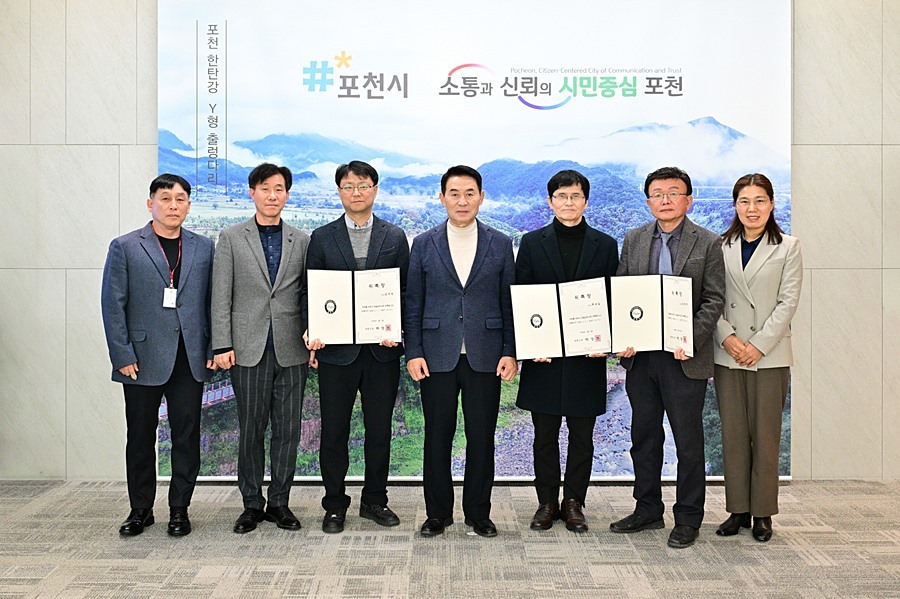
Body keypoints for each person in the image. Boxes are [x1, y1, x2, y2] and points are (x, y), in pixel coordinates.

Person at [609, 166, 725, 548]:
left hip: (684, 357)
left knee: (688, 442)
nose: (665, 200)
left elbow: (714, 298)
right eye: (657, 194)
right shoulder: (634, 239)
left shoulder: (708, 242)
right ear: (648, 201)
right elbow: (623, 292)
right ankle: (647, 509)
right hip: (641, 357)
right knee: (644, 436)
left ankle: (689, 518)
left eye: (673, 193)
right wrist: (623, 336)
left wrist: (691, 337)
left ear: (688, 200)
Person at [405, 165, 517, 538]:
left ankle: (478, 513)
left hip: (486, 354)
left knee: (481, 438)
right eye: (454, 193)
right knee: (437, 436)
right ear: (442, 198)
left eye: (470, 193)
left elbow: (509, 301)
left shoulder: (500, 243)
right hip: (436, 354)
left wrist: (510, 350)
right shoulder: (424, 243)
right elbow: (413, 302)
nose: (462, 200)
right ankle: (437, 513)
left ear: (481, 197)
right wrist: (413, 351)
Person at [101, 174, 216, 537]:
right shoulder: (125, 246)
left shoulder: (204, 247)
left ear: (189, 206)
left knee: (186, 436)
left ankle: (179, 508)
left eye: (180, 199)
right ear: (150, 203)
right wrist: (121, 353)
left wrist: (211, 349)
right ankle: (140, 509)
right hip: (141, 357)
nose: (173, 205)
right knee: (140, 436)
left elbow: (213, 303)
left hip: (189, 357)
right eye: (165, 198)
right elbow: (112, 304)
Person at [305, 161, 410, 533]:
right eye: (348, 186)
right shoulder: (322, 237)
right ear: (339, 192)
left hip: (382, 351)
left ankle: (374, 500)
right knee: (334, 432)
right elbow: (311, 291)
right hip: (336, 352)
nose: (356, 192)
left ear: (375, 190)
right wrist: (313, 329)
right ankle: (334, 504)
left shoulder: (394, 236)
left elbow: (405, 292)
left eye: (363, 185)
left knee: (379, 431)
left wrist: (398, 329)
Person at [514, 170, 619, 533]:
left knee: (582, 436)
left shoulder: (605, 244)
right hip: (543, 357)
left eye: (575, 196)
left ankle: (573, 502)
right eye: (561, 196)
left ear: (585, 201)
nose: (568, 202)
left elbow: (612, 298)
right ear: (550, 201)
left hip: (586, 357)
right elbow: (522, 296)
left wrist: (605, 341)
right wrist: (530, 344)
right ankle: (546, 502)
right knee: (543, 436)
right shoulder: (532, 242)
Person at [211, 163, 311, 534]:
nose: (272, 195)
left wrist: (314, 335)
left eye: (279, 189)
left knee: (288, 431)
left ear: (287, 194)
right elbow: (220, 295)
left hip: (292, 348)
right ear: (252, 192)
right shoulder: (231, 237)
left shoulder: (301, 240)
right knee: (251, 429)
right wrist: (222, 343)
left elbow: (308, 294)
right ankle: (251, 504)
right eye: (265, 188)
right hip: (247, 348)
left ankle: (280, 502)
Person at [713, 173, 802, 543]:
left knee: (766, 436)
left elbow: (788, 302)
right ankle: (738, 510)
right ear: (735, 205)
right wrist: (727, 336)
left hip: (770, 354)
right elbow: (711, 297)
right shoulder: (720, 245)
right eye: (745, 201)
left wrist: (759, 344)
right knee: (733, 434)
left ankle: (763, 513)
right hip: (728, 352)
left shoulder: (788, 246)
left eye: (760, 200)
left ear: (772, 204)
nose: (752, 208)